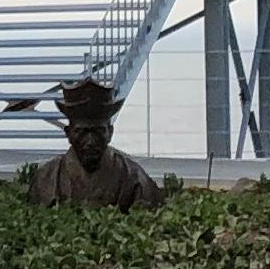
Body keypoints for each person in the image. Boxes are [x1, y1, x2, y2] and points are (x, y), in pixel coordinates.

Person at [24, 76, 166, 209]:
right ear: (68, 133)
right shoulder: (48, 177)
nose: (91, 141)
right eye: (82, 132)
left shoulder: (134, 178)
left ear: (110, 132)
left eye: (98, 131)